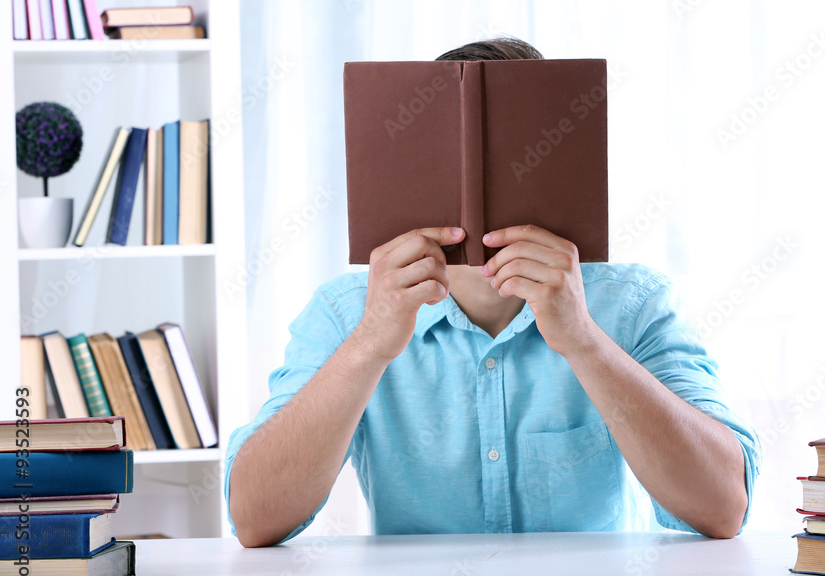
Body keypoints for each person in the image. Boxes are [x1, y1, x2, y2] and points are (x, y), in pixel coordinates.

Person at [225, 38, 761, 547]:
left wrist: (585, 342)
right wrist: (369, 343)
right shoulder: (347, 313)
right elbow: (253, 519)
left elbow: (722, 508)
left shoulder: (635, 303)